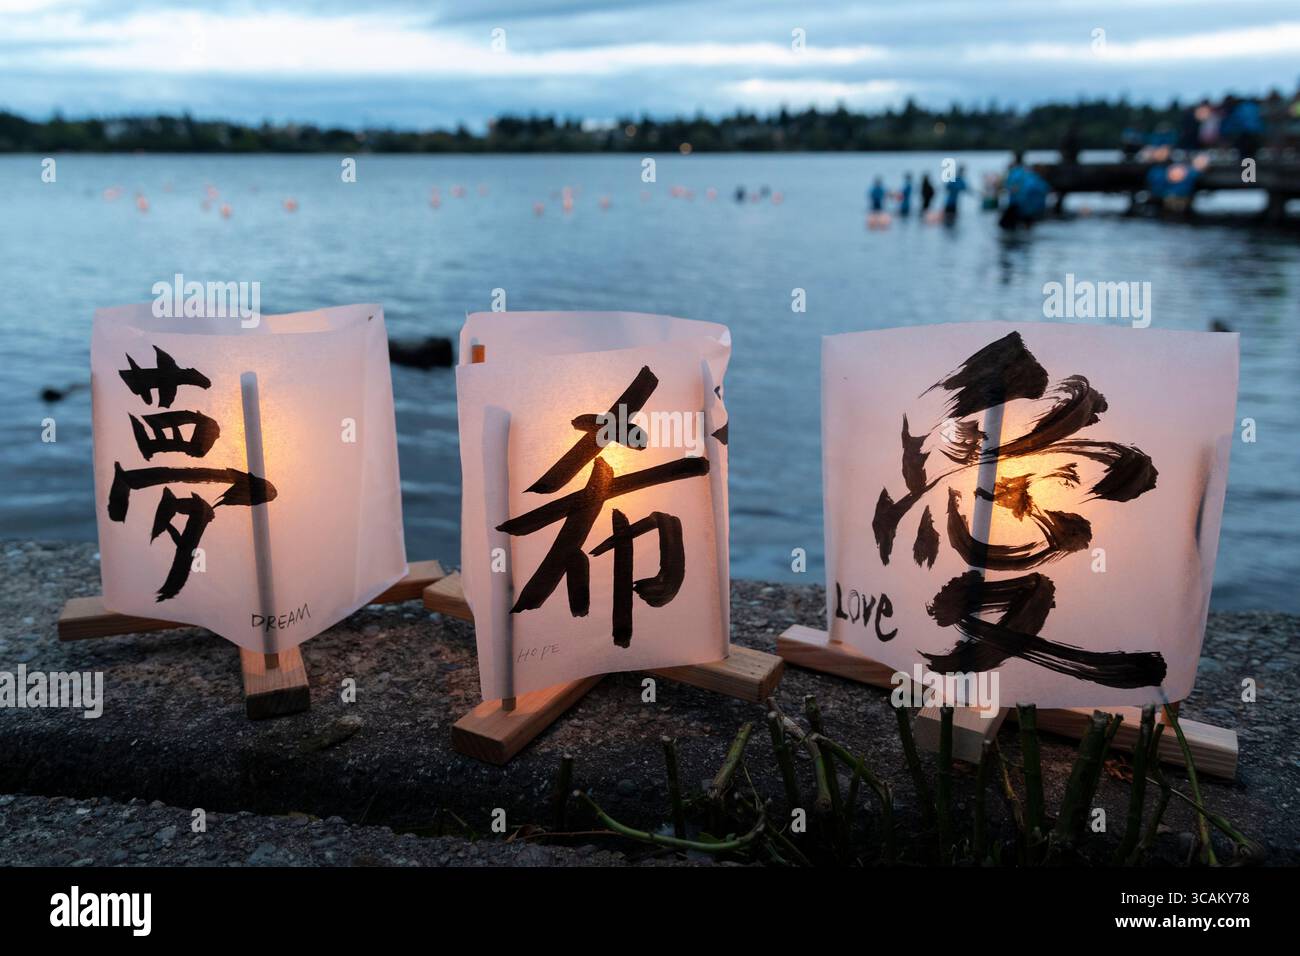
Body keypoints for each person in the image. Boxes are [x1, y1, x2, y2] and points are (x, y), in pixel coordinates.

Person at [999, 151, 1049, 229]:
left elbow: (1007, 187)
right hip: (1034, 209)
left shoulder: (1014, 173)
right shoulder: (1032, 175)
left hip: (1018, 207)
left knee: (1005, 225)